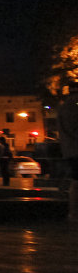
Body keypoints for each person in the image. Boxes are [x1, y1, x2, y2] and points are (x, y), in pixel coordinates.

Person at [57, 85, 78, 220]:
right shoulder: (74, 105)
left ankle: (73, 213)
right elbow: (74, 128)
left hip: (71, 149)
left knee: (75, 181)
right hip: (76, 148)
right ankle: (74, 213)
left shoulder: (64, 106)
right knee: (77, 182)